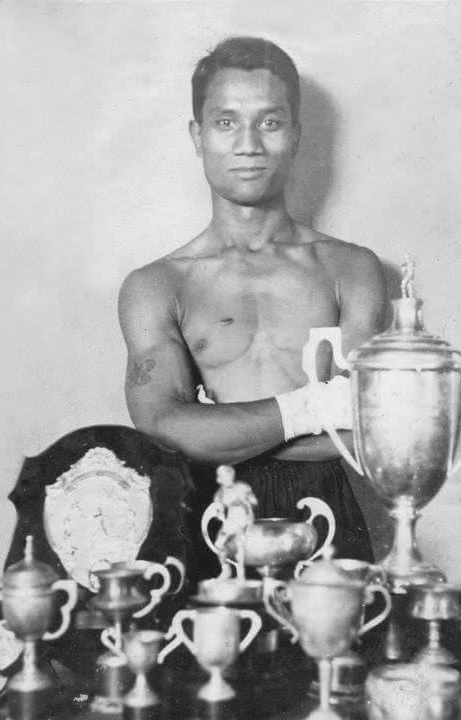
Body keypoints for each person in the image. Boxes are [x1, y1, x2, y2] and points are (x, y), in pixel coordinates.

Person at [119, 36, 387, 580]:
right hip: (211, 516)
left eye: (269, 122)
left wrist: (220, 429)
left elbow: (369, 431)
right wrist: (316, 410)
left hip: (330, 518)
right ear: (197, 136)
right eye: (225, 122)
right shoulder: (157, 285)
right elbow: (164, 428)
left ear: (295, 135)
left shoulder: (350, 268)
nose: (248, 144)